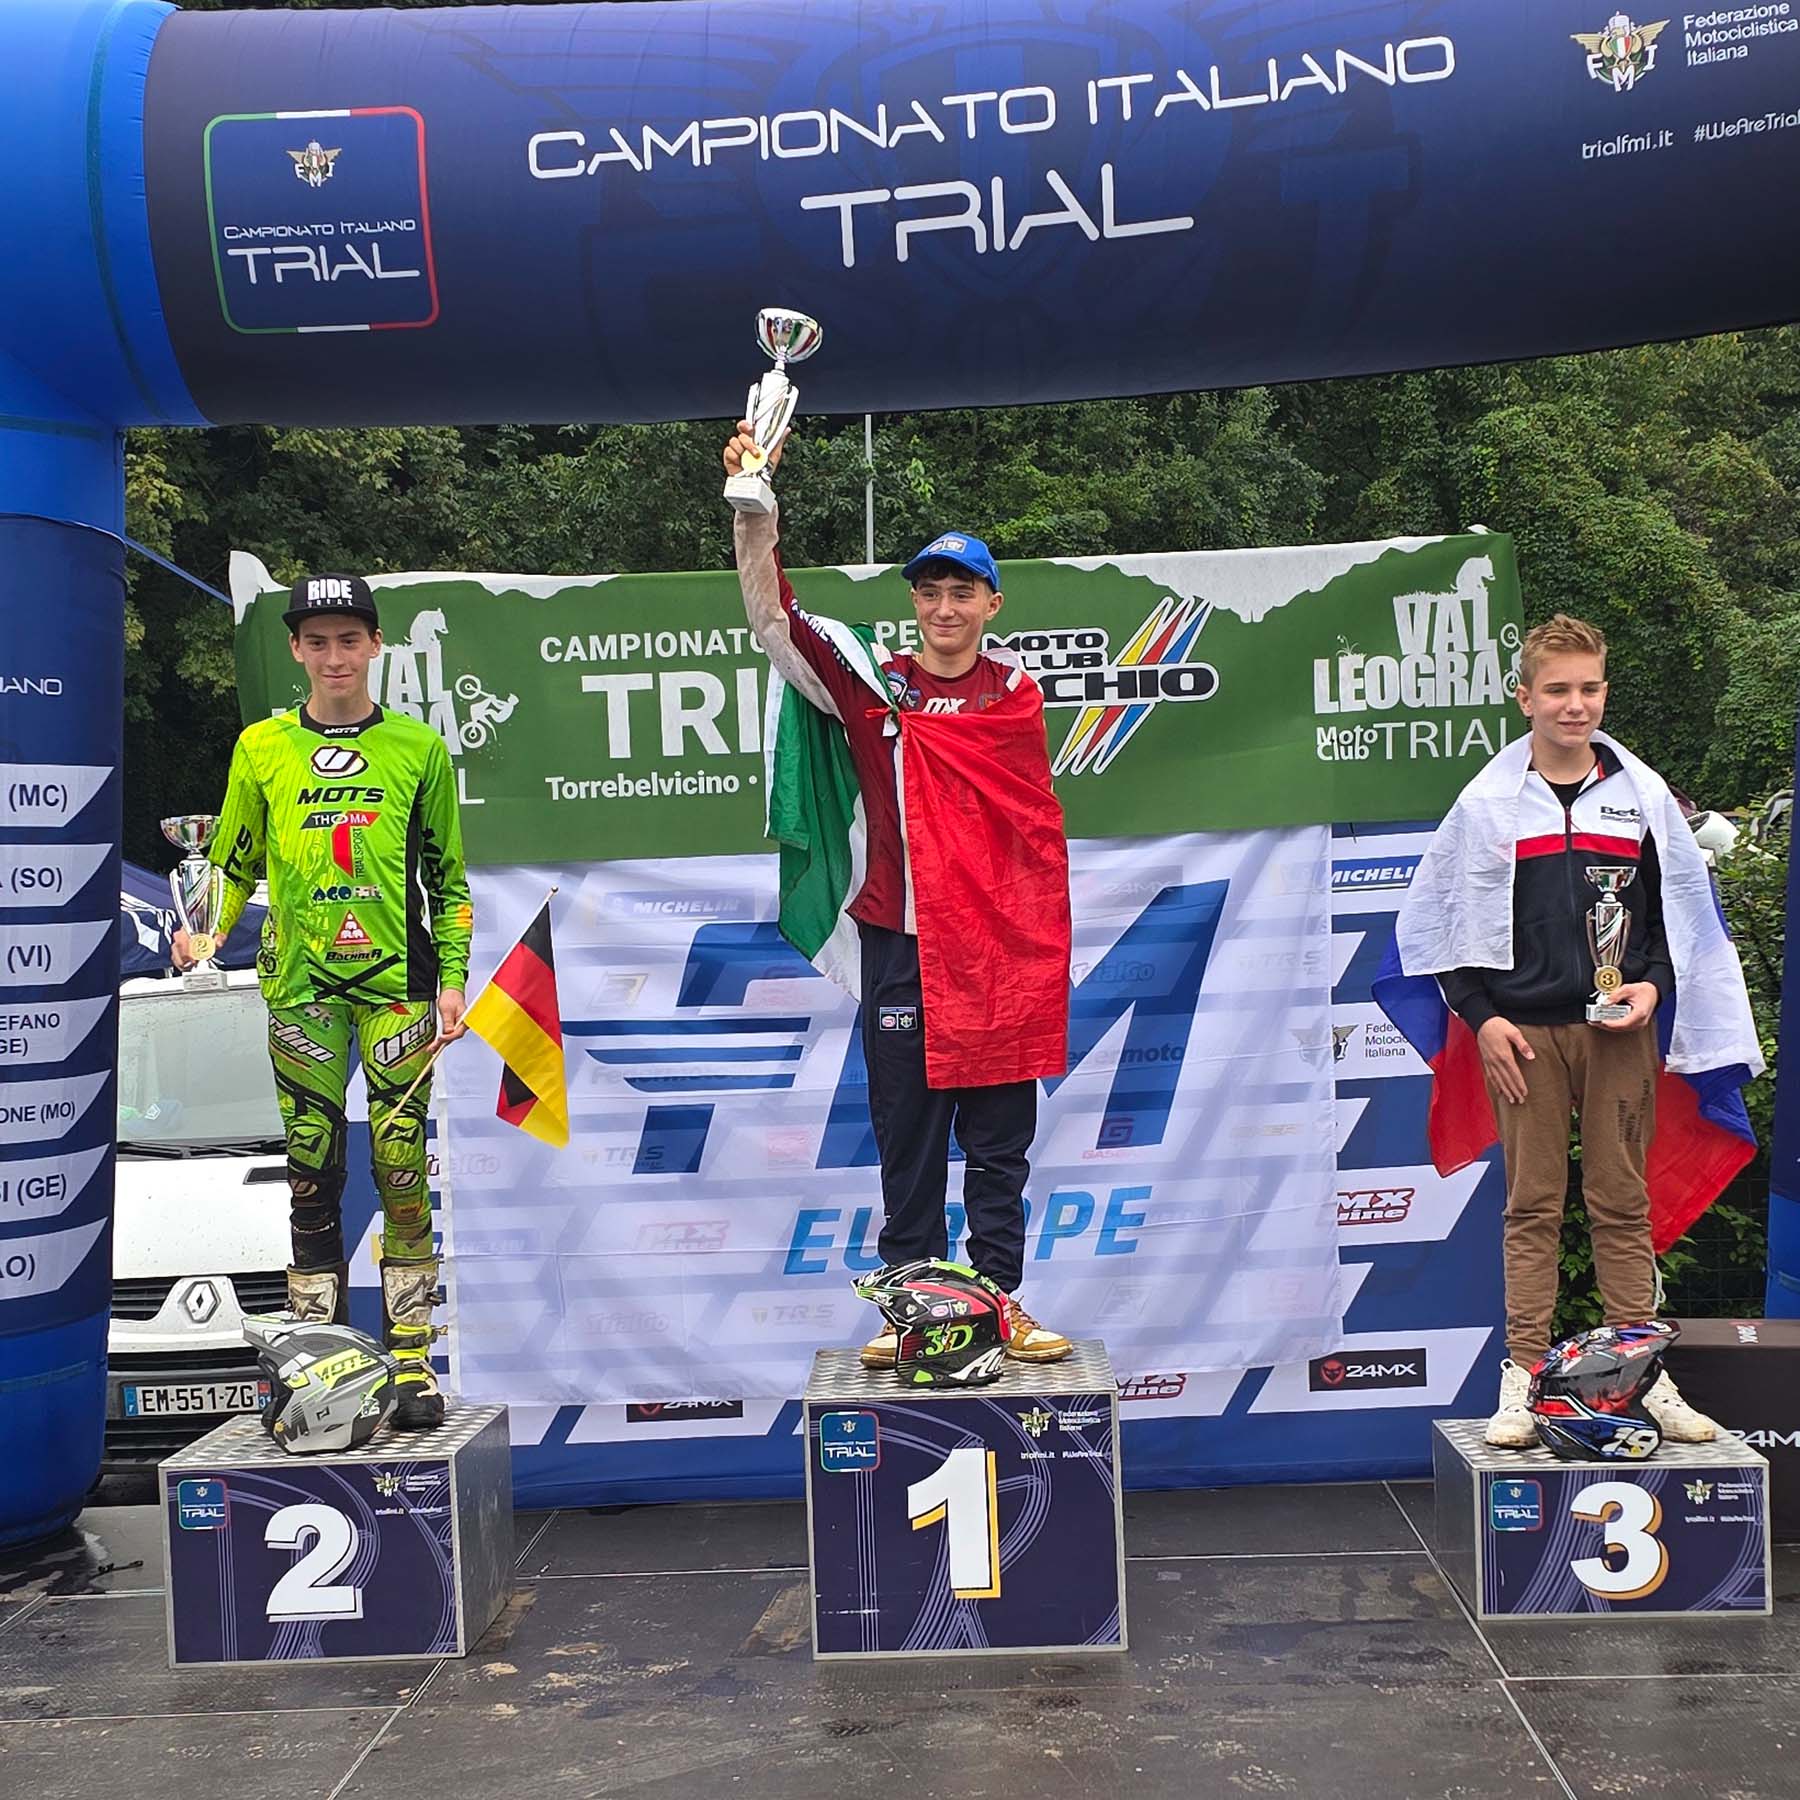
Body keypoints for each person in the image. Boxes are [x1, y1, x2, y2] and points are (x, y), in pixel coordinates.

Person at [724, 424, 1072, 1367]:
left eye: (962, 591)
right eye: (929, 590)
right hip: (904, 943)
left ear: (992, 603)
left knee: (999, 1143)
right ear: (913, 600)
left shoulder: (1015, 697)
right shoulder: (874, 689)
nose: (944, 606)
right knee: (907, 1137)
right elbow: (777, 627)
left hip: (996, 945)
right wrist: (756, 512)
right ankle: (914, 1307)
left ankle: (999, 1302)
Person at [1397, 613, 1744, 1448]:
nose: (1574, 704)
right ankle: (1522, 1378)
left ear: (1605, 693)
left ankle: (1641, 1375)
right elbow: (1444, 931)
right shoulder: (1486, 803)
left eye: (1588, 688)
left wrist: (1654, 985)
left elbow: (1672, 919)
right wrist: (1482, 1020)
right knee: (1532, 1207)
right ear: (1524, 698)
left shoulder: (1641, 797)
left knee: (1622, 1203)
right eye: (1557, 689)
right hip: (1524, 1036)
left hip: (1616, 1031)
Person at [174, 573, 472, 1428]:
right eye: (317, 641)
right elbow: (231, 863)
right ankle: (319, 1360)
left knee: (401, 1166)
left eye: (349, 639)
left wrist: (453, 978)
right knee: (311, 1170)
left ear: (376, 645)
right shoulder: (261, 746)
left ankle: (411, 1361)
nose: (334, 656)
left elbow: (449, 881)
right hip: (301, 988)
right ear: (296, 650)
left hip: (397, 988)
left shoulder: (418, 748)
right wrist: (205, 933)